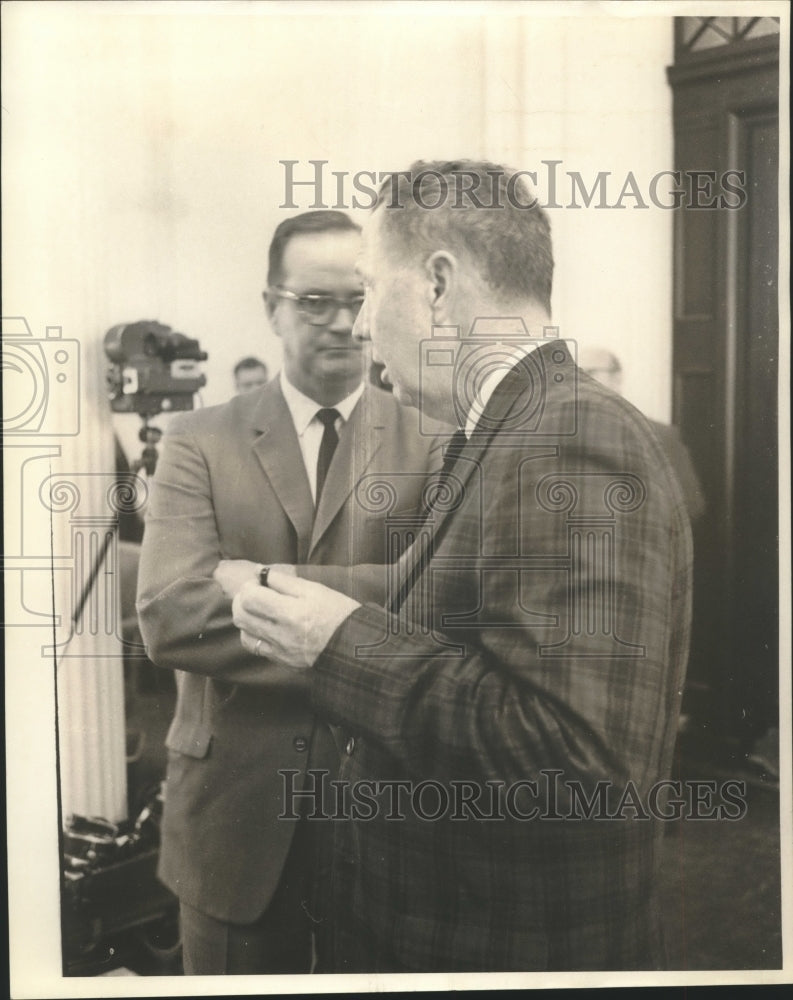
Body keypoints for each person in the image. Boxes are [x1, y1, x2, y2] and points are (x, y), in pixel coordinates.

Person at [230, 161, 694, 972]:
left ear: (438, 286)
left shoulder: (569, 435)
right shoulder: (506, 430)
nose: (362, 326)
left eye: (372, 291)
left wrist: (336, 644)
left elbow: (575, 766)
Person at [136, 209, 446, 974]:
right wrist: (374, 601)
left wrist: (255, 579)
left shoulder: (434, 437)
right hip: (232, 818)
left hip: (384, 810)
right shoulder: (197, 438)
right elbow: (171, 615)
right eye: (314, 302)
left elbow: (442, 609)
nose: (343, 324)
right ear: (270, 304)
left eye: (358, 297)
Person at [577, 345, 705, 522]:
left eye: (590, 372)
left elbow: (691, 505)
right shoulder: (559, 439)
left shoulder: (660, 436)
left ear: (617, 378)